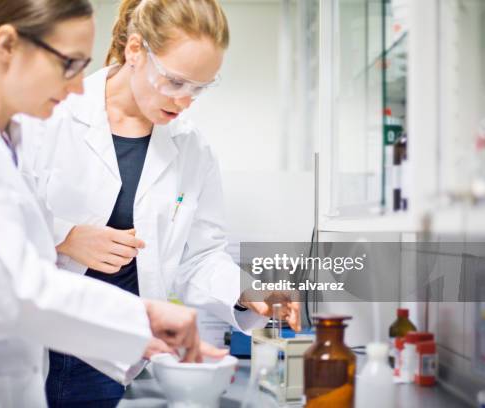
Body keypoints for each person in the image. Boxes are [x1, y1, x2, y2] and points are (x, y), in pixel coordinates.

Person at [0, 1, 217, 407]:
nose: (78, 88)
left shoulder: (5, 137)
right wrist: (143, 318)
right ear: (7, 44)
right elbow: (11, 291)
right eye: (69, 64)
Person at [20, 0, 302, 406]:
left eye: (199, 88)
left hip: (123, 353)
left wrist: (248, 290)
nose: (186, 101)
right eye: (175, 81)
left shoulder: (192, 149)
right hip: (45, 341)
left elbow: (200, 256)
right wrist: (63, 238)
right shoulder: (51, 116)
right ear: (135, 51)